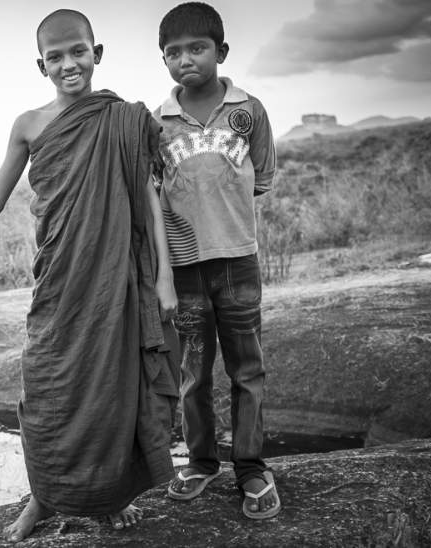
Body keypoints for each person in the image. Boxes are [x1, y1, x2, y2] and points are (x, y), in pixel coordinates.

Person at [0, 9, 180, 542]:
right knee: (46, 391)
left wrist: (164, 276)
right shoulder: (29, 125)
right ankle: (43, 499)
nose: (69, 64)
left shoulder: (126, 119)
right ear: (41, 65)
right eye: (56, 57)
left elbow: (148, 197)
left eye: (79, 52)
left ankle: (109, 498)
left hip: (113, 279)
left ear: (98, 54)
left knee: (112, 388)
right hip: (58, 279)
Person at [153, 2, 281, 520]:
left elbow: (265, 174)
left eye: (197, 48)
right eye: (173, 52)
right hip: (185, 268)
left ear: (221, 52)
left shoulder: (247, 111)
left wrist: (227, 216)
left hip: (238, 263)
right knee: (193, 373)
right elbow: (152, 188)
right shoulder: (158, 123)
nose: (186, 60)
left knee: (247, 367)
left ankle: (251, 467)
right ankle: (203, 461)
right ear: (164, 60)